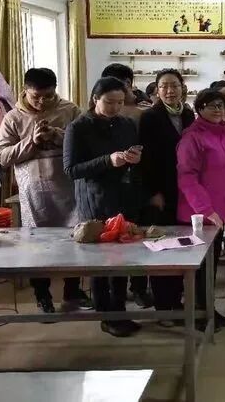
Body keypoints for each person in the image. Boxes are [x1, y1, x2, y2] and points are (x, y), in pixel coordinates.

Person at [0, 68, 90, 314]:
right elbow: (2, 156)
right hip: (34, 193)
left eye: (48, 96)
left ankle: (72, 291)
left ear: (55, 90)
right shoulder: (13, 118)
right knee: (36, 245)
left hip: (68, 190)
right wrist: (32, 141)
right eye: (36, 96)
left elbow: (86, 145)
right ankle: (42, 295)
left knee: (74, 240)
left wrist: (59, 136)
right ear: (25, 90)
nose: (42, 102)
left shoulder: (70, 111)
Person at [63, 77, 142, 337]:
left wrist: (133, 158)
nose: (115, 107)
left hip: (123, 196)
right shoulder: (78, 127)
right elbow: (71, 169)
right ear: (95, 99)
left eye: (120, 102)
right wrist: (108, 160)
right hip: (95, 199)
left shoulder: (126, 124)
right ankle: (105, 315)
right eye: (109, 102)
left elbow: (131, 158)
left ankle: (119, 310)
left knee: (122, 257)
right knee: (100, 260)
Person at [177, 88, 225, 330]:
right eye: (211, 105)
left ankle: (207, 308)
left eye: (221, 105)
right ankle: (198, 313)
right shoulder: (192, 137)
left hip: (220, 212)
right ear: (199, 108)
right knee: (199, 268)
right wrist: (206, 210)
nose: (217, 109)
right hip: (199, 215)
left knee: (210, 266)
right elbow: (187, 178)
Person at [139, 69, 195, 324]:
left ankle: (176, 300)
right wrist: (153, 192)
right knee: (162, 247)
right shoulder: (150, 117)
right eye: (164, 86)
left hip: (185, 190)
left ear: (183, 87)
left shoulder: (189, 115)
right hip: (162, 191)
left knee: (182, 245)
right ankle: (163, 306)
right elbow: (146, 160)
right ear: (157, 91)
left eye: (174, 85)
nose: (170, 91)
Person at [102, 62, 152, 307]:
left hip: (136, 184)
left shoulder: (142, 112)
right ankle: (112, 300)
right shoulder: (91, 117)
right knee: (111, 245)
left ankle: (139, 288)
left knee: (138, 238)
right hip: (106, 189)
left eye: (123, 85)